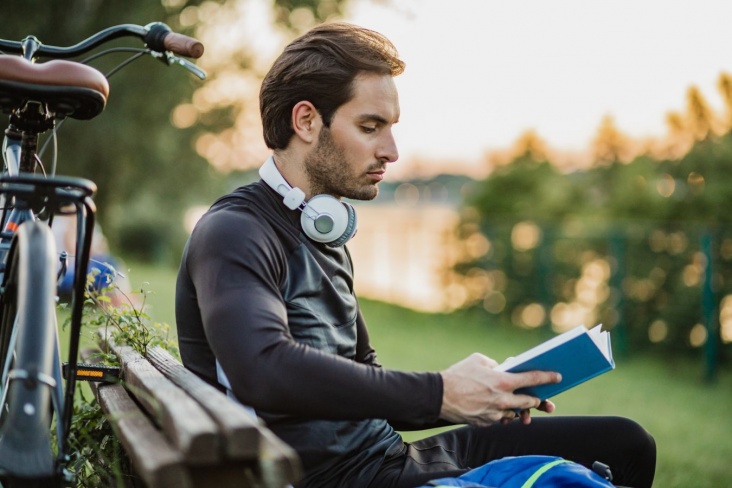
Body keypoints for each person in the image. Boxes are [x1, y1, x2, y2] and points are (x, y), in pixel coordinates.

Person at [175, 22, 656, 488]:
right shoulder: (234, 231)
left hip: (387, 458)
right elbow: (264, 369)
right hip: (343, 478)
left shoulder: (322, 230)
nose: (392, 151)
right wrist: (442, 391)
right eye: (370, 126)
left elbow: (365, 381)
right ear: (305, 121)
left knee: (626, 442)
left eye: (391, 127)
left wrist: (485, 393)